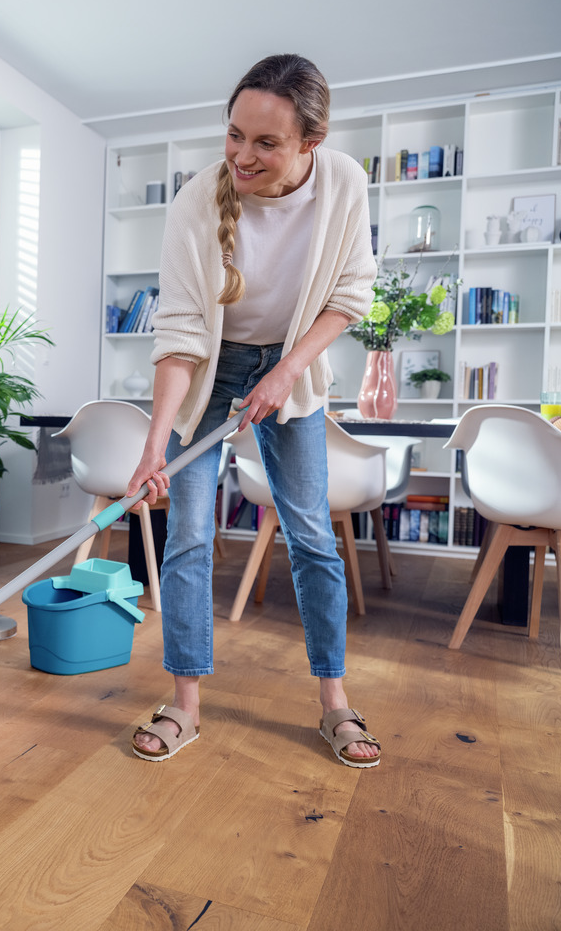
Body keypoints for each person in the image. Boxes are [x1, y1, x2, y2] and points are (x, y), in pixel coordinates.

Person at [125, 54, 382, 768]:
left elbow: (350, 297)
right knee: (188, 535)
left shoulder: (344, 186)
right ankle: (185, 702)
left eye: (265, 143)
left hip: (292, 362)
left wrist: (288, 372)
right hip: (215, 368)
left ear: (311, 141)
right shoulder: (195, 203)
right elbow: (179, 336)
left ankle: (336, 703)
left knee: (309, 534)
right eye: (234, 134)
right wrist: (155, 449)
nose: (242, 155)